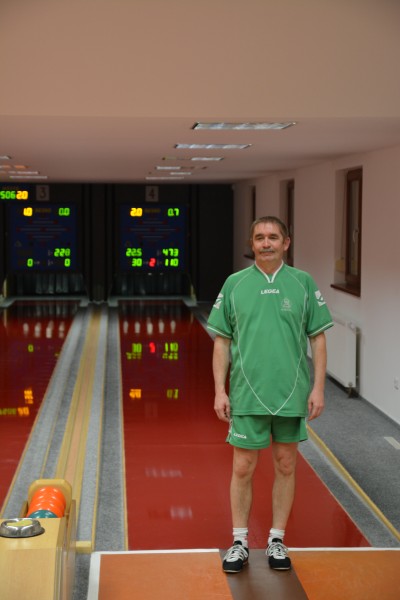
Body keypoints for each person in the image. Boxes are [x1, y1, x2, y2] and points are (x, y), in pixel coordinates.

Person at [207, 216, 333, 574]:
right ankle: (239, 542)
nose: (266, 243)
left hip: (291, 392)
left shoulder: (303, 283)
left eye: (273, 237)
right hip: (246, 393)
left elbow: (318, 338)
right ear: (252, 243)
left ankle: (277, 539)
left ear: (286, 243)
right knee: (243, 467)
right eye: (260, 237)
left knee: (286, 464)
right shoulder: (234, 284)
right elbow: (222, 342)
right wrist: (219, 390)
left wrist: (318, 387)